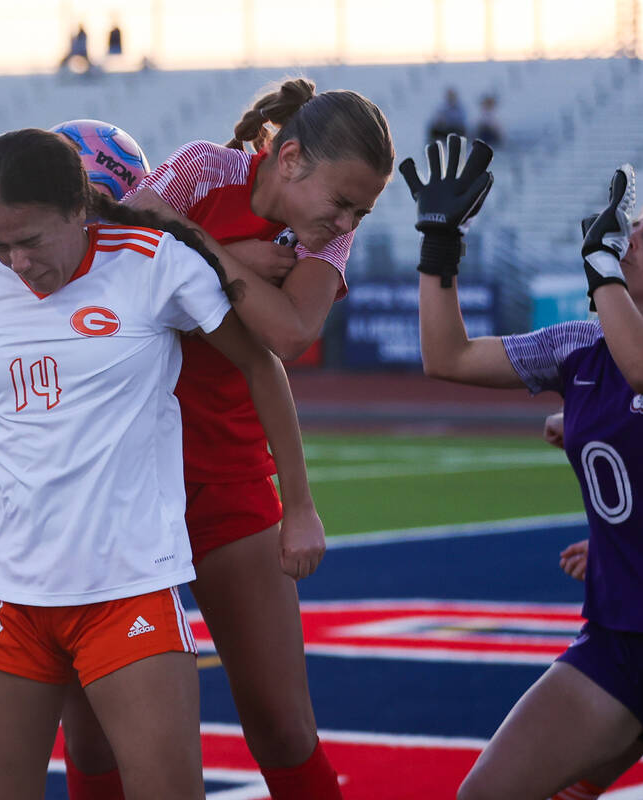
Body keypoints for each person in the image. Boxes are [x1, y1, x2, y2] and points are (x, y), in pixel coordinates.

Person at [0, 127, 321, 800]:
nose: (16, 263)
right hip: (5, 596)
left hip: (126, 589)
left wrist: (299, 505)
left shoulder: (154, 261)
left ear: (79, 209)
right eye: (0, 244)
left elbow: (262, 361)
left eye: (30, 242)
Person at [60, 78, 393, 800]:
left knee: (281, 725)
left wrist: (212, 254)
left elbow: (289, 333)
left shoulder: (328, 230)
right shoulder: (208, 167)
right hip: (119, 480)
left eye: (359, 212)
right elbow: (114, 261)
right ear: (292, 158)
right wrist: (228, 250)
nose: (345, 223)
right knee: (91, 735)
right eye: (341, 204)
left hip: (231, 481)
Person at [407, 138, 643, 799]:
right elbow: (449, 357)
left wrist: (603, 269)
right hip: (617, 632)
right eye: (629, 229)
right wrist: (441, 244)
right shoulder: (579, 345)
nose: (631, 238)